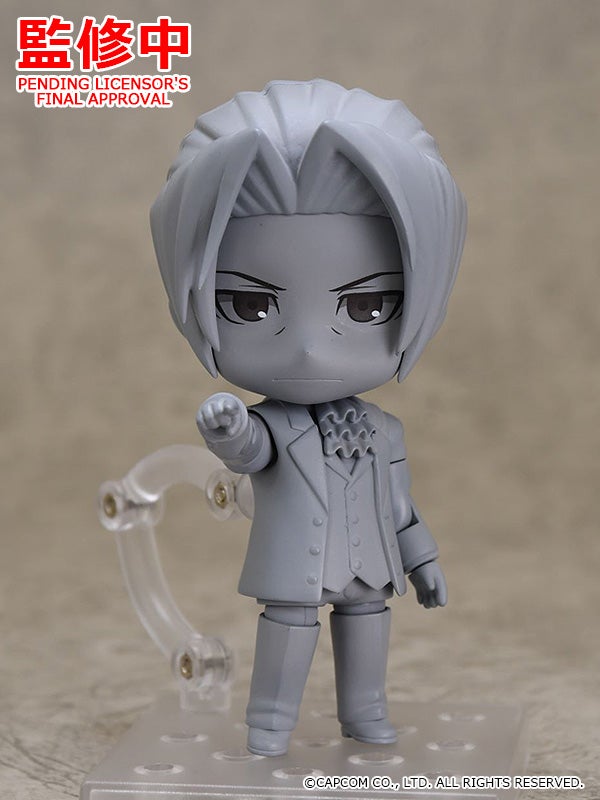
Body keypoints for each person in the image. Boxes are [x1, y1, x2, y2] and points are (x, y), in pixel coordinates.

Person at [150, 79, 467, 756]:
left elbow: (400, 506)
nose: (308, 348)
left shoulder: (384, 431)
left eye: (366, 307)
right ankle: (269, 723)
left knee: (368, 627)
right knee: (288, 632)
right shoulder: (277, 425)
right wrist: (228, 430)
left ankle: (366, 711)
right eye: (250, 306)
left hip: (370, 567)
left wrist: (423, 559)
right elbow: (251, 453)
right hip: (296, 567)